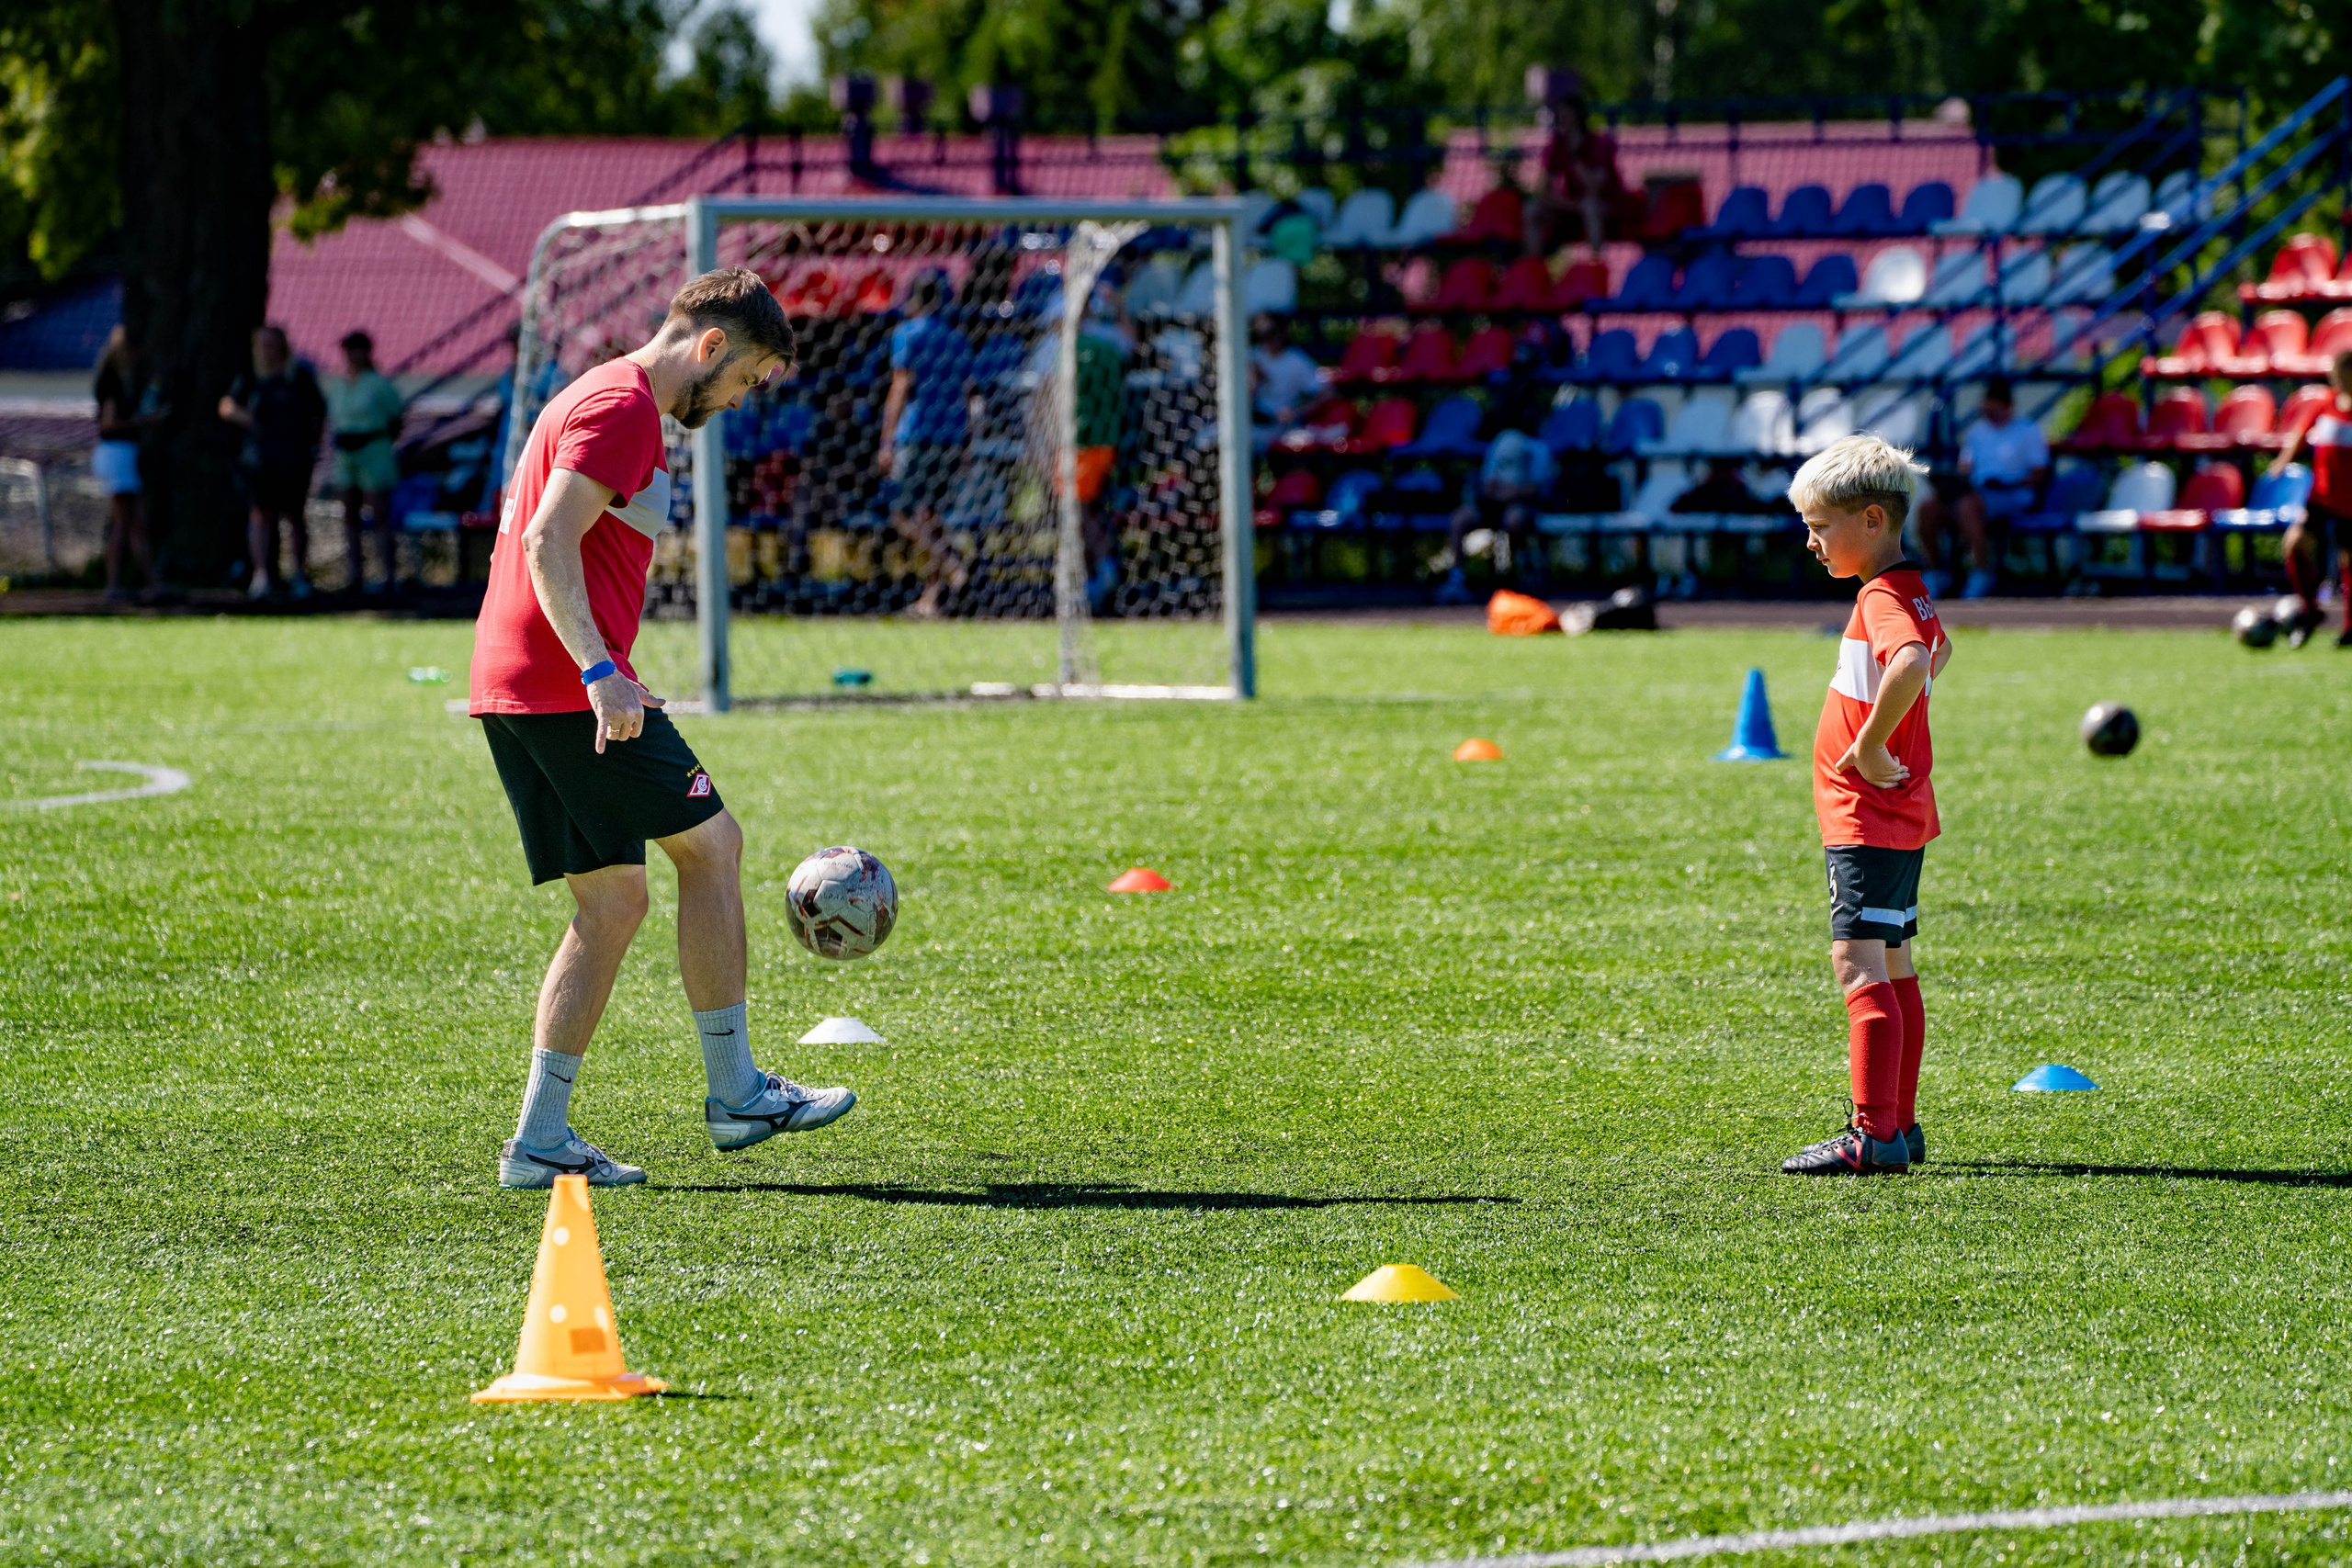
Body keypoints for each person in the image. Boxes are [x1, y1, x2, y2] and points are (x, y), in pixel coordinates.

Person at [467, 267, 846, 1190]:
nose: (741, 398)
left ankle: (539, 1141)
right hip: (563, 688)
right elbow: (545, 539)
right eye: (745, 377)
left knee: (612, 904)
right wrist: (598, 670)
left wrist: (610, 665)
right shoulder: (626, 406)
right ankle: (738, 1093)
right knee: (714, 848)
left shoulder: (596, 392)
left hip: (518, 685)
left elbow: (550, 545)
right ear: (709, 345)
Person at [1781, 434, 1952, 1177]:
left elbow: (1913, 659)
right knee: (1893, 962)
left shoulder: (1880, 596)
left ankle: (1873, 1134)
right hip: (1896, 812)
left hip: (1868, 814)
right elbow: (1938, 650)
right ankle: (1899, 1125)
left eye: (1821, 526)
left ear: (1873, 520)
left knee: (1858, 966)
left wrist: (1874, 743)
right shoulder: (1907, 587)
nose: (1811, 542)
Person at [877, 271, 974, 617]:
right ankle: (930, 600)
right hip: (952, 434)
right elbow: (968, 393)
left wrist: (886, 441)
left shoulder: (908, 334)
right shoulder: (957, 338)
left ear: (915, 299)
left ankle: (953, 566)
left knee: (901, 513)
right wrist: (968, 443)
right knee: (931, 518)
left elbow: (900, 387)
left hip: (917, 433)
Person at [1911, 378, 2048, 602]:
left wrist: (2008, 483)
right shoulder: (1977, 431)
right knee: (1929, 507)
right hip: (1976, 493)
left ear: (2008, 407)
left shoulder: (2028, 430)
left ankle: (1980, 571)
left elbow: (2039, 474)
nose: (1991, 415)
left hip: (2013, 495)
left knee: (1967, 506)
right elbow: (1965, 468)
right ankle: (1935, 571)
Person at [218, 324, 326, 599]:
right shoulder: (250, 377)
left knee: (295, 516)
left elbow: (318, 413)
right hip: (259, 460)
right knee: (260, 515)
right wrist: (249, 420)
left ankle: (299, 575)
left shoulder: (298, 376)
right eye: (262, 344)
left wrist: (312, 446)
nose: (267, 350)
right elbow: (227, 407)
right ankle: (260, 575)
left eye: (271, 344)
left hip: (293, 459)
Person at [2273, 350, 2352, 648]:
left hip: (2350, 501)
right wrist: (2284, 459)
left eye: (2340, 374)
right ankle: (2310, 610)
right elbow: (2300, 432)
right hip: (2321, 495)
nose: (2335, 380)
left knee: (2349, 560)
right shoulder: (2326, 403)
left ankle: (2350, 628)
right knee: (2294, 544)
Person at [323, 331, 405, 594]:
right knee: (349, 515)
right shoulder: (340, 385)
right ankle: (354, 574)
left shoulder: (378, 384)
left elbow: (396, 419)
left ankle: (387, 574)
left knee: (379, 514)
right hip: (345, 456)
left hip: (373, 452)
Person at [1433, 427, 1555, 604]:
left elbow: (1538, 488)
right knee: (1459, 518)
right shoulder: (1498, 443)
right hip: (1492, 505)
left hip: (1524, 506)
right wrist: (1496, 494)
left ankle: (1524, 575)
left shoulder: (1539, 449)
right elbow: (1488, 484)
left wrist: (1514, 493)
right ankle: (1456, 581)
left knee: (1514, 520)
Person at [92, 325, 162, 603]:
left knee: (136, 522)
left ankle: (152, 582)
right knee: (122, 522)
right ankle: (112, 584)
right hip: (117, 453)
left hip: (124, 454)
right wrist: (145, 420)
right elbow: (109, 423)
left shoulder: (121, 380)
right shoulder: (111, 381)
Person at [1524, 95, 1634, 258]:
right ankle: (1533, 266)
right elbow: (1543, 190)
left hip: (1608, 204)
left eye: (1567, 116)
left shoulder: (1599, 144)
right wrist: (1568, 204)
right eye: (1560, 116)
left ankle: (1595, 264)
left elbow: (1595, 188)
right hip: (1572, 206)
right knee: (1532, 210)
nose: (1562, 121)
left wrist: (1575, 157)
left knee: (1590, 207)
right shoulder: (1556, 147)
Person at [1249, 313, 1324, 449]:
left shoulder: (1297, 361)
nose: (1267, 340)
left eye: (1271, 333)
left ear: (1282, 332)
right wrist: (1253, 380)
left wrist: (1295, 411)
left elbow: (1325, 392)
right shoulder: (1254, 356)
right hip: (1251, 420)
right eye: (1261, 335)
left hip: (1278, 427)